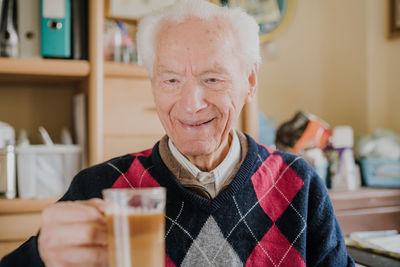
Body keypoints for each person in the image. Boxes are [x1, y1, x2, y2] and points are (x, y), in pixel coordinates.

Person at [1, 0, 354, 266]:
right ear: (153, 85)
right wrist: (40, 255)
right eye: (171, 80)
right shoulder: (99, 189)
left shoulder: (299, 184)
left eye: (212, 78)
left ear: (249, 82)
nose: (192, 103)